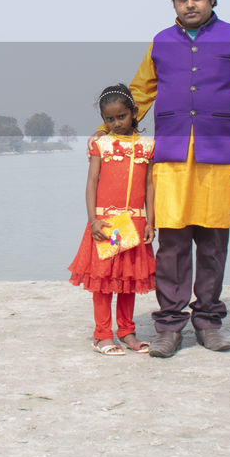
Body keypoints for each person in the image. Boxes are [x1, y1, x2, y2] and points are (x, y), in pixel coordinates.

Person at [125, 0, 230, 358]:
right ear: (173, 1)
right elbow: (140, 93)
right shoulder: (160, 42)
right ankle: (169, 326)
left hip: (219, 155)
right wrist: (109, 133)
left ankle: (208, 321)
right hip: (170, 156)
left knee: (212, 241)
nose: (190, 5)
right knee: (170, 244)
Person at [67, 83, 158, 355]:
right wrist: (93, 220)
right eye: (109, 119)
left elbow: (151, 186)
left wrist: (151, 221)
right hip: (107, 223)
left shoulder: (148, 146)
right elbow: (92, 182)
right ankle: (103, 335)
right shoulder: (102, 144)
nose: (116, 123)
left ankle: (127, 332)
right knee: (105, 283)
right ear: (103, 120)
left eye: (121, 116)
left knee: (128, 281)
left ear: (134, 113)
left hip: (134, 222)